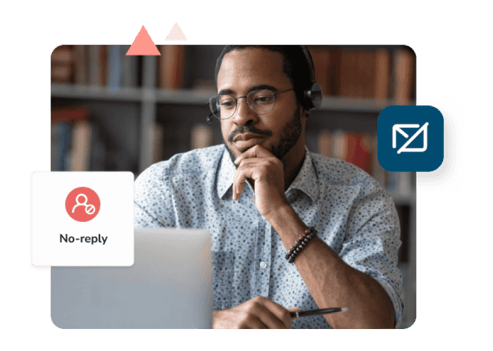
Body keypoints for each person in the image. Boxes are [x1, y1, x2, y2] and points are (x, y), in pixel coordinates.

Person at [134, 45, 403, 329]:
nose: (241, 116)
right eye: (227, 103)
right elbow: (119, 308)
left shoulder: (361, 198)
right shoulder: (166, 187)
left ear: (306, 102)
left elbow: (372, 326)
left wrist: (280, 212)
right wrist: (208, 323)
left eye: (262, 98)